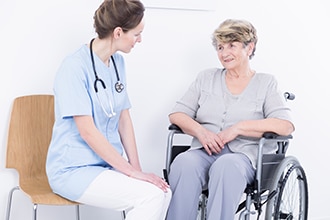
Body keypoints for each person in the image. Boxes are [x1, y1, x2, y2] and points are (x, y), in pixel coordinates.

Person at [46, 1, 171, 219]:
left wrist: (137, 170)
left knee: (162, 191)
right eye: (136, 34)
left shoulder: (117, 63)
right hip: (73, 170)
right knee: (150, 197)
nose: (139, 40)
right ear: (118, 32)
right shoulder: (74, 67)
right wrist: (130, 172)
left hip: (105, 165)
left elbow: (124, 119)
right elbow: (86, 131)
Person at [166, 19, 294, 220]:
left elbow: (285, 125)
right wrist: (201, 132)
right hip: (204, 150)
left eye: (232, 45)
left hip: (244, 157)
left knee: (225, 166)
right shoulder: (206, 78)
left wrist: (239, 128)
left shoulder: (266, 83)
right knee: (184, 163)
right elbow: (177, 114)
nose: (224, 53)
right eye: (220, 47)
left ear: (249, 47)